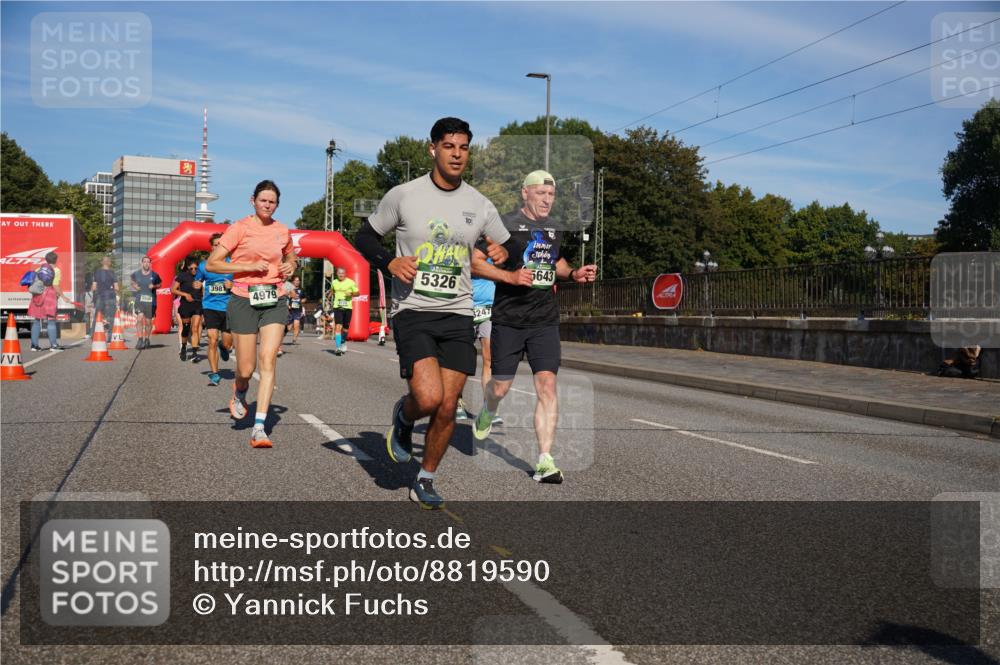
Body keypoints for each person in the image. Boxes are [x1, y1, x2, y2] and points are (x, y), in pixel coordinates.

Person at [354, 117, 512, 509]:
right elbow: (364, 236)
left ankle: (425, 479)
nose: (457, 154)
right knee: (427, 397)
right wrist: (389, 262)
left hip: (459, 312)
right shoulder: (404, 195)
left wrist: (505, 251)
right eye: (449, 146)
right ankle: (405, 419)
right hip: (413, 309)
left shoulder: (479, 203)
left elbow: (509, 244)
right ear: (433, 149)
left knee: (448, 405)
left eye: (463, 147)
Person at [471, 170, 598, 484]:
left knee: (548, 386)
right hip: (509, 320)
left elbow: (556, 262)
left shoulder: (554, 228)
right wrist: (509, 277)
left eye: (551, 195)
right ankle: (488, 409)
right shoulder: (503, 226)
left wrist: (574, 274)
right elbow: (475, 262)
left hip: (544, 320)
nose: (547, 200)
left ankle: (544, 460)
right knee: (500, 387)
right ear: (525, 193)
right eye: (541, 193)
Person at [206, 180, 296, 448]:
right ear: (253, 201)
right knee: (246, 368)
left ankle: (259, 428)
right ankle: (240, 391)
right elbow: (213, 262)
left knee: (268, 359)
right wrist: (247, 265)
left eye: (272, 202)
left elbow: (291, 257)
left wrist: (291, 267)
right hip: (244, 299)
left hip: (274, 298)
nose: (267, 205)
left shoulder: (282, 230)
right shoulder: (239, 228)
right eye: (263, 201)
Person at [456, 267, 503, 425]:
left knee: (489, 358)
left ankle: (489, 407)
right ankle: (457, 401)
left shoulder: (493, 249)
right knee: (461, 359)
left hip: (488, 311)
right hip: (464, 309)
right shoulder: (465, 247)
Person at [196, 233, 234, 385]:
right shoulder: (203, 265)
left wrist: (233, 286)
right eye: (216, 244)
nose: (218, 247)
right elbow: (197, 281)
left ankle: (223, 347)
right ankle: (214, 373)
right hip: (210, 306)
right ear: (211, 247)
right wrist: (197, 285)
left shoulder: (233, 264)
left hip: (228, 307)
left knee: (227, 343)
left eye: (221, 244)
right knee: (212, 339)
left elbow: (243, 284)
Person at [28, 251, 71, 351]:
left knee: (36, 321)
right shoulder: (56, 270)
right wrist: (63, 296)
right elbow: (55, 285)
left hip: (37, 296)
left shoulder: (38, 269)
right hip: (49, 296)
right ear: (56, 260)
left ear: (46, 259)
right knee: (51, 321)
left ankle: (34, 346)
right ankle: (54, 345)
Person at [171, 257, 204, 362]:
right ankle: (184, 347)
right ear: (188, 268)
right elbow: (173, 289)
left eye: (196, 268)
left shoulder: (200, 277)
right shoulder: (182, 276)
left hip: (197, 304)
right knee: (186, 328)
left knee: (195, 328)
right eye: (192, 268)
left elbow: (203, 290)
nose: (194, 270)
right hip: (185, 305)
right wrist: (185, 294)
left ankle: (194, 353)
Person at [130, 255, 162, 349]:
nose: (146, 263)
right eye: (145, 262)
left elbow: (160, 284)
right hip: (140, 300)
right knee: (139, 318)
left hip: (151, 301)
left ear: (150, 264)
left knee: (148, 322)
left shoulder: (154, 275)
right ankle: (140, 339)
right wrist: (135, 286)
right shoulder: (136, 274)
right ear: (142, 263)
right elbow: (132, 281)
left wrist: (155, 286)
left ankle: (147, 339)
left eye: (148, 262)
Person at [329, 267, 358, 356]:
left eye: (342, 273)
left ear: (345, 274)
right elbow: (332, 290)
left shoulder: (351, 282)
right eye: (339, 273)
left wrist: (351, 294)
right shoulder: (334, 282)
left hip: (348, 308)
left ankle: (343, 342)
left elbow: (358, 293)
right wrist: (330, 295)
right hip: (337, 307)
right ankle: (338, 348)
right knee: (338, 326)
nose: (341, 275)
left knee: (345, 328)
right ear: (337, 274)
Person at [91, 255, 119, 332]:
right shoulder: (112, 273)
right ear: (109, 263)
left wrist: (94, 297)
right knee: (111, 317)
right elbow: (116, 287)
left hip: (100, 297)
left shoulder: (96, 272)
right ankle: (110, 337)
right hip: (110, 297)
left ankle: (93, 335)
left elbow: (94, 287)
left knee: (97, 316)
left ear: (102, 263)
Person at [285, 275, 305, 345]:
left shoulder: (302, 289)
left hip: (297, 310)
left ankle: (294, 339)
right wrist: (288, 305)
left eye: (298, 281)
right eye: (295, 280)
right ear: (292, 281)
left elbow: (304, 298)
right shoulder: (289, 288)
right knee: (289, 327)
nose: (297, 282)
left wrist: (302, 300)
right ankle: (282, 335)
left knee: (296, 325)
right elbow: (285, 297)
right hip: (290, 309)